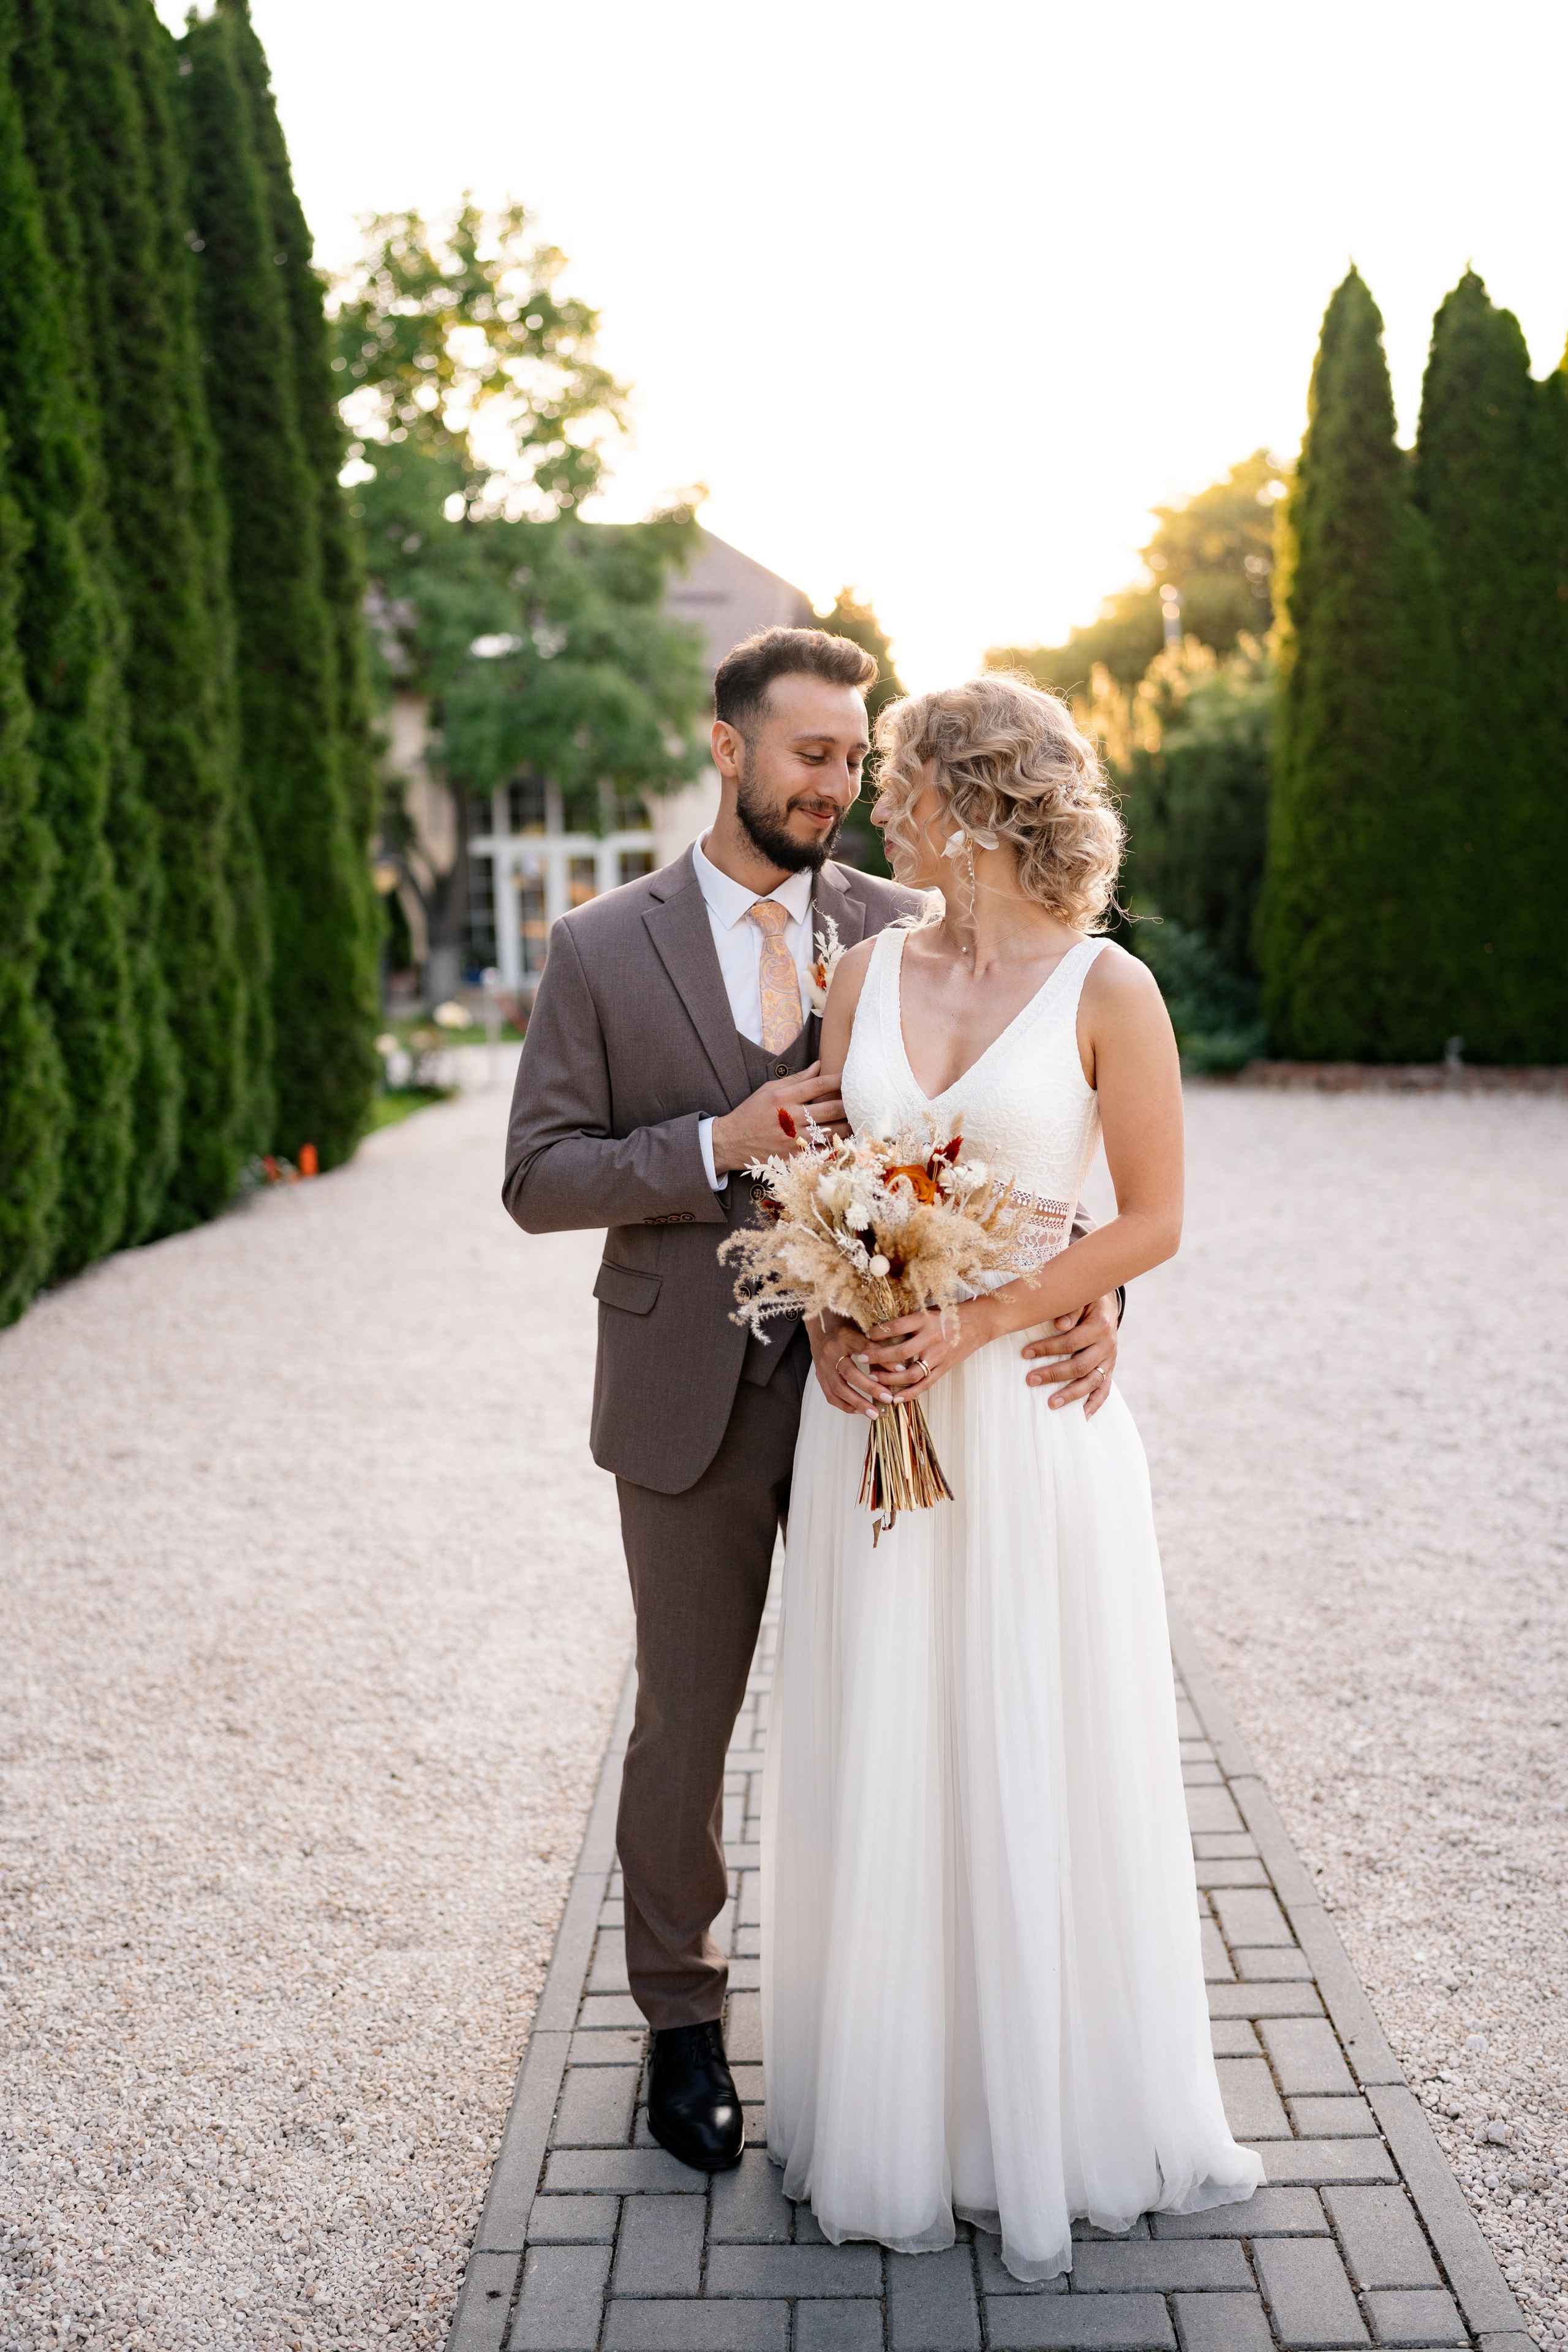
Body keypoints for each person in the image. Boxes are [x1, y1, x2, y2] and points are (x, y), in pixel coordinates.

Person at [503, 631, 1121, 2171]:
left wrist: (1099, 1291)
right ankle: (682, 2027)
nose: (838, 788)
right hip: (689, 1394)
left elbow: (1033, 1123)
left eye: (856, 759)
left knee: (906, 1705)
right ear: (726, 749)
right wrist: (714, 1144)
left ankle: (911, 2032)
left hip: (891, 1399)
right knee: (684, 1725)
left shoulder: (913, 914)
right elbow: (533, 1178)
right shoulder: (598, 947)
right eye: (808, 757)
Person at [762, 673, 1263, 2277]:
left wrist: (985, 1319)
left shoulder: (1112, 990)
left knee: (1026, 1742)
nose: (882, 802)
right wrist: (840, 1330)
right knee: (891, 1744)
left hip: (1032, 1420)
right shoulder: (865, 975)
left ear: (971, 805)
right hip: (875, 1426)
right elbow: (828, 1183)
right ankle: (903, 2104)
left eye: (903, 777)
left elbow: (1151, 1221)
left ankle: (1049, 2109)